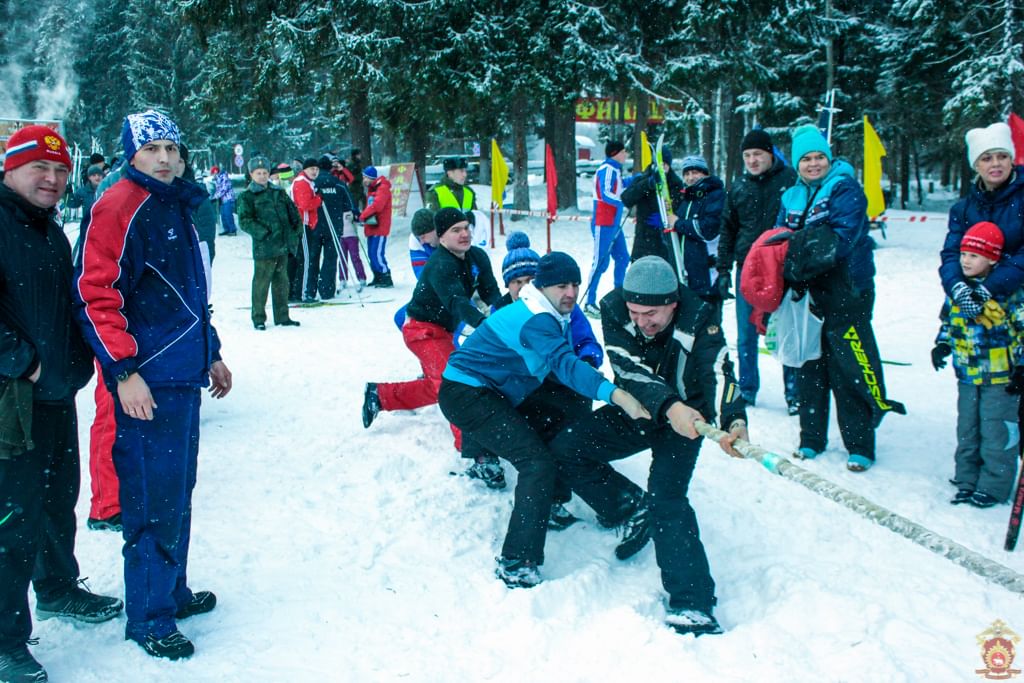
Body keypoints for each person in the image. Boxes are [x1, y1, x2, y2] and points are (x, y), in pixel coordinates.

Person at [73, 110, 232, 660]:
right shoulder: (120, 203)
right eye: (151, 148)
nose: (164, 158)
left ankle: (171, 590)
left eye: (172, 148)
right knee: (151, 496)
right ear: (130, 155)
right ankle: (148, 613)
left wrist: (210, 353)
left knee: (176, 492)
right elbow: (95, 294)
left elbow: (186, 294)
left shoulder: (174, 205)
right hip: (146, 380)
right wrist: (122, 371)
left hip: (182, 374)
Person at [550, 255, 748, 636]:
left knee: (667, 500)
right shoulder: (612, 307)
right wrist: (667, 405)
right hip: (639, 408)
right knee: (567, 448)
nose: (642, 322)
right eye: (635, 312)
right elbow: (627, 368)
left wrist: (733, 420)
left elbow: (717, 369)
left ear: (673, 303)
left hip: (689, 422)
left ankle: (693, 603)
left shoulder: (699, 316)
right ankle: (627, 506)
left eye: (651, 313)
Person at [438, 252, 650, 588]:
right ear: (542, 286)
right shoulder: (537, 318)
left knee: (561, 434)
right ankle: (517, 563)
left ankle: (613, 505)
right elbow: (564, 363)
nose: (570, 292)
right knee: (535, 463)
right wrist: (616, 394)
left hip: (496, 390)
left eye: (575, 284)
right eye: (561, 285)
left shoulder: (549, 312)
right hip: (468, 395)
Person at [0, 125, 123, 682]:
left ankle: (56, 587)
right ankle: (5, 641)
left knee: (55, 499)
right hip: (11, 400)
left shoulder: (48, 230)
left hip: (53, 394)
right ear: (11, 169)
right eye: (39, 170)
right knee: (12, 516)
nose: (51, 180)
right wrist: (23, 362)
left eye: (59, 171)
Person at [773, 123, 904, 472]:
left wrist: (797, 252)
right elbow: (777, 240)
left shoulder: (845, 188)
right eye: (806, 159)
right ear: (797, 164)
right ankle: (811, 438)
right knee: (810, 366)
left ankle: (860, 444)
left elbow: (840, 239)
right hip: (807, 293)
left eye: (819, 157)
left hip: (848, 290)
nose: (814, 164)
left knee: (849, 367)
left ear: (829, 159)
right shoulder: (790, 196)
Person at [362, 208, 502, 452]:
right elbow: (457, 302)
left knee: (437, 385)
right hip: (421, 330)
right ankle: (475, 453)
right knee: (454, 385)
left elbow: (492, 293)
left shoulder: (478, 257)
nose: (464, 234)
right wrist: (485, 326)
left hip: (443, 330)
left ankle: (380, 395)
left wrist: (506, 317)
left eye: (466, 228)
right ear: (442, 237)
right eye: (455, 230)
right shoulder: (439, 263)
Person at [933, 222, 1024, 508]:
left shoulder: (1009, 294)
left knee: (996, 431)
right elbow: (948, 321)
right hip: (967, 374)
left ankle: (994, 485)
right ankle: (967, 479)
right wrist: (942, 344)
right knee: (968, 428)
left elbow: (1022, 330)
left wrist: (1021, 365)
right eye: (962, 254)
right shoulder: (958, 290)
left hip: (1000, 378)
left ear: (993, 259)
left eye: (973, 255)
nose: (964, 261)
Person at [718, 129, 799, 413]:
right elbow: (727, 229)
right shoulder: (739, 186)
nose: (752, 160)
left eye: (758, 154)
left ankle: (794, 393)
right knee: (746, 333)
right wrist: (724, 268)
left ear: (770, 153)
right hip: (748, 269)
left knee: (786, 330)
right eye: (747, 155)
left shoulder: (790, 181)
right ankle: (748, 388)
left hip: (782, 268)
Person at [940, 122, 1024, 326]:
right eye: (987, 158)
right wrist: (957, 287)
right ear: (976, 165)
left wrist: (990, 287)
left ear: (1011, 160)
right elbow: (951, 253)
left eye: (1002, 156)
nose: (996, 164)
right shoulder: (963, 209)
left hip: (1017, 301)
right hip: (975, 302)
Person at [237, 155, 303, 330]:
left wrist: (295, 230)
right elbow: (245, 220)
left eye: (265, 172)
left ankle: (283, 316)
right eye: (258, 173)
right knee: (261, 284)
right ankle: (258, 318)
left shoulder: (278, 192)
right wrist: (264, 233)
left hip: (282, 246)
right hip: (264, 247)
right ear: (251, 174)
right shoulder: (247, 196)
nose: (262, 176)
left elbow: (292, 212)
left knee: (282, 283)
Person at [665, 155, 725, 307]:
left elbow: (707, 229)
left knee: (709, 323)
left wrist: (678, 223)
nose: (691, 177)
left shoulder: (715, 195)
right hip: (687, 273)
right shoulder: (688, 199)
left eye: (695, 172)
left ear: (705, 173)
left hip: (706, 274)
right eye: (687, 174)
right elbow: (679, 231)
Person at [585, 140, 633, 317]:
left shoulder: (616, 170)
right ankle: (589, 302)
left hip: (614, 224)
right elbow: (606, 194)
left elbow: (620, 186)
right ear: (615, 153)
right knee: (600, 263)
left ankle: (619, 296)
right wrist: (624, 200)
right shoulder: (606, 169)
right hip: (603, 222)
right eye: (623, 152)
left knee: (623, 258)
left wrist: (638, 179)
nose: (626, 155)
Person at [622, 146, 682, 263]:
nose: (662, 168)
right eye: (659, 164)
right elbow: (626, 198)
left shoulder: (675, 183)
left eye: (665, 165)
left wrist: (667, 218)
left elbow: (680, 205)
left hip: (666, 240)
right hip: (644, 239)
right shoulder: (643, 178)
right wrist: (647, 184)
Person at [290, 158, 323, 302]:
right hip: (303, 223)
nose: (314, 172)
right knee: (305, 259)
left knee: (301, 259)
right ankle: (302, 293)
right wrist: (319, 199)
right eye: (312, 169)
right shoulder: (302, 182)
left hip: (305, 223)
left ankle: (295, 292)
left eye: (316, 169)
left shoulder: (305, 181)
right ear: (305, 169)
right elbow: (305, 204)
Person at [359, 166, 393, 288]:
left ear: (370, 177)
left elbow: (377, 206)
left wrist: (363, 216)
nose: (363, 180)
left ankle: (385, 276)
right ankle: (378, 276)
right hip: (373, 226)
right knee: (371, 253)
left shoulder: (382, 188)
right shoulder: (373, 188)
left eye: (364, 177)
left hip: (380, 227)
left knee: (377, 253)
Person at [66, 162, 104, 228]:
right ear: (89, 177)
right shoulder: (83, 191)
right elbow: (73, 203)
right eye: (94, 175)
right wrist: (69, 194)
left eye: (99, 175)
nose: (97, 177)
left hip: (103, 224)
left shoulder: (107, 190)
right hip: (88, 224)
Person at [211, 165, 237, 235]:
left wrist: (216, 197)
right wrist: (214, 197)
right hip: (222, 200)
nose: (213, 174)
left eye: (213, 172)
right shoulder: (217, 179)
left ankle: (232, 230)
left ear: (216, 171)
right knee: (223, 215)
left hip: (228, 198)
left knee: (228, 214)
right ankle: (227, 229)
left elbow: (224, 189)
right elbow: (218, 190)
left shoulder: (224, 177)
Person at [348, 148, 366, 212]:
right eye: (358, 154)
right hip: (354, 188)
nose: (360, 156)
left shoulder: (357, 163)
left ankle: (363, 215)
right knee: (355, 203)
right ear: (355, 155)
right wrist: (359, 177)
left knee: (364, 200)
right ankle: (356, 216)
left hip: (358, 187)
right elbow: (349, 176)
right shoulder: (352, 164)